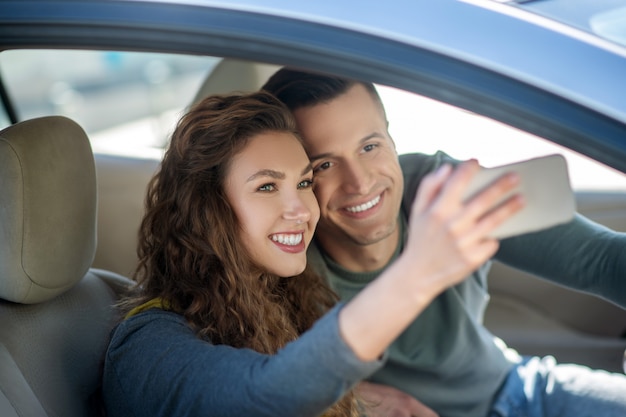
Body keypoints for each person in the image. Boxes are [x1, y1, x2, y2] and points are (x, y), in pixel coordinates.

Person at [101, 91, 523, 417]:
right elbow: (261, 398)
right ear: (206, 210)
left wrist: (362, 402)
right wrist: (416, 274)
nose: (302, 210)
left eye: (304, 183)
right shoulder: (146, 346)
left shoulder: (282, 298)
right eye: (267, 187)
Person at [262, 69, 626, 417]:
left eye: (370, 146)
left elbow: (602, 261)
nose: (359, 181)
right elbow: (255, 391)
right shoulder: (279, 253)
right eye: (324, 165)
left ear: (391, 137)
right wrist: (343, 403)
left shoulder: (442, 190)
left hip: (514, 389)